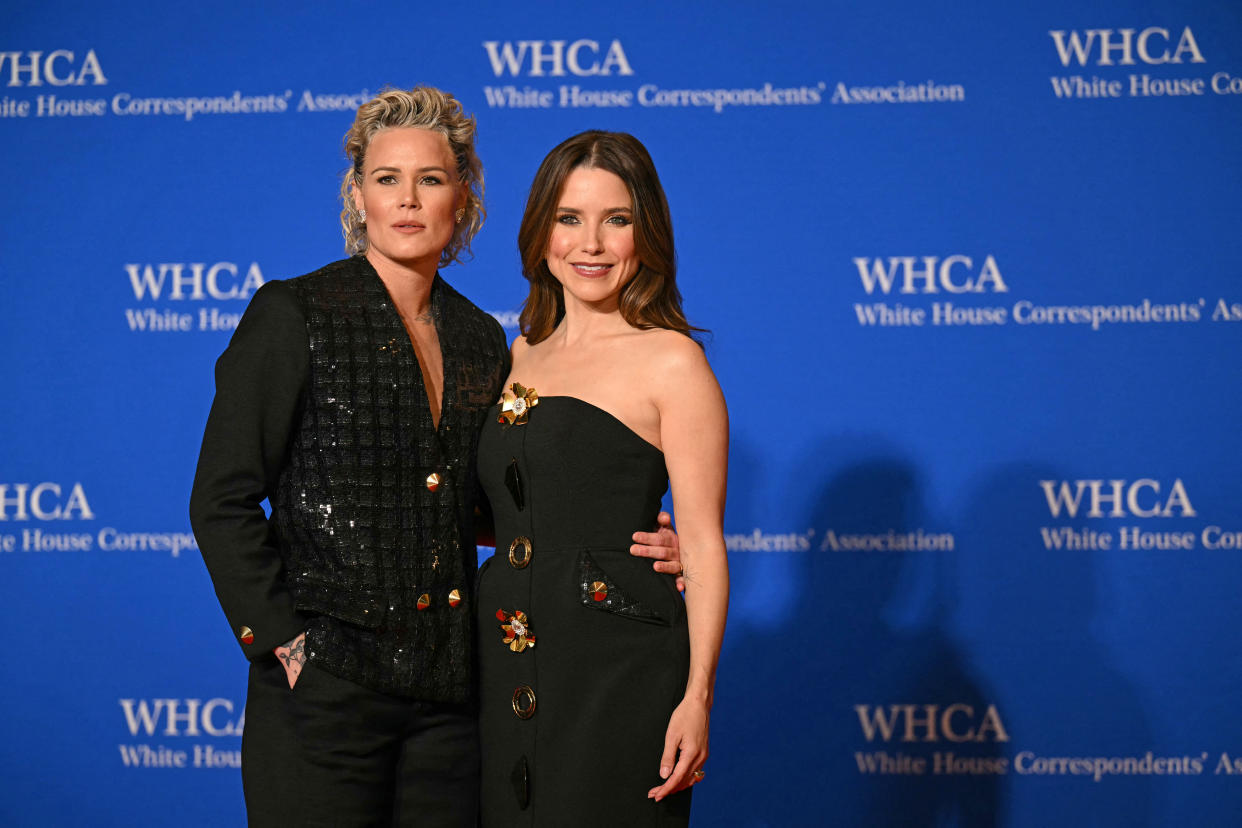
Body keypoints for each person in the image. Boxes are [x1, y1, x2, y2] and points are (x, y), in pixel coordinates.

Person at [188, 88, 680, 828]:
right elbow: (221, 499)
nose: (408, 200)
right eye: (387, 179)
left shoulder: (484, 338)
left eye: (431, 179)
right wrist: (286, 645)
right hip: (325, 693)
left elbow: (490, 502)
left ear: (464, 197)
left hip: (452, 708)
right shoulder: (295, 313)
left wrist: (618, 541)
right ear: (358, 194)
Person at [475, 131, 729, 827]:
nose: (590, 244)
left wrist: (697, 698)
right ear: (540, 232)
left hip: (620, 665)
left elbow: (703, 543)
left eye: (616, 220)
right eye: (569, 219)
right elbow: (509, 505)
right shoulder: (513, 354)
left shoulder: (673, 362)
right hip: (502, 655)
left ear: (645, 233)